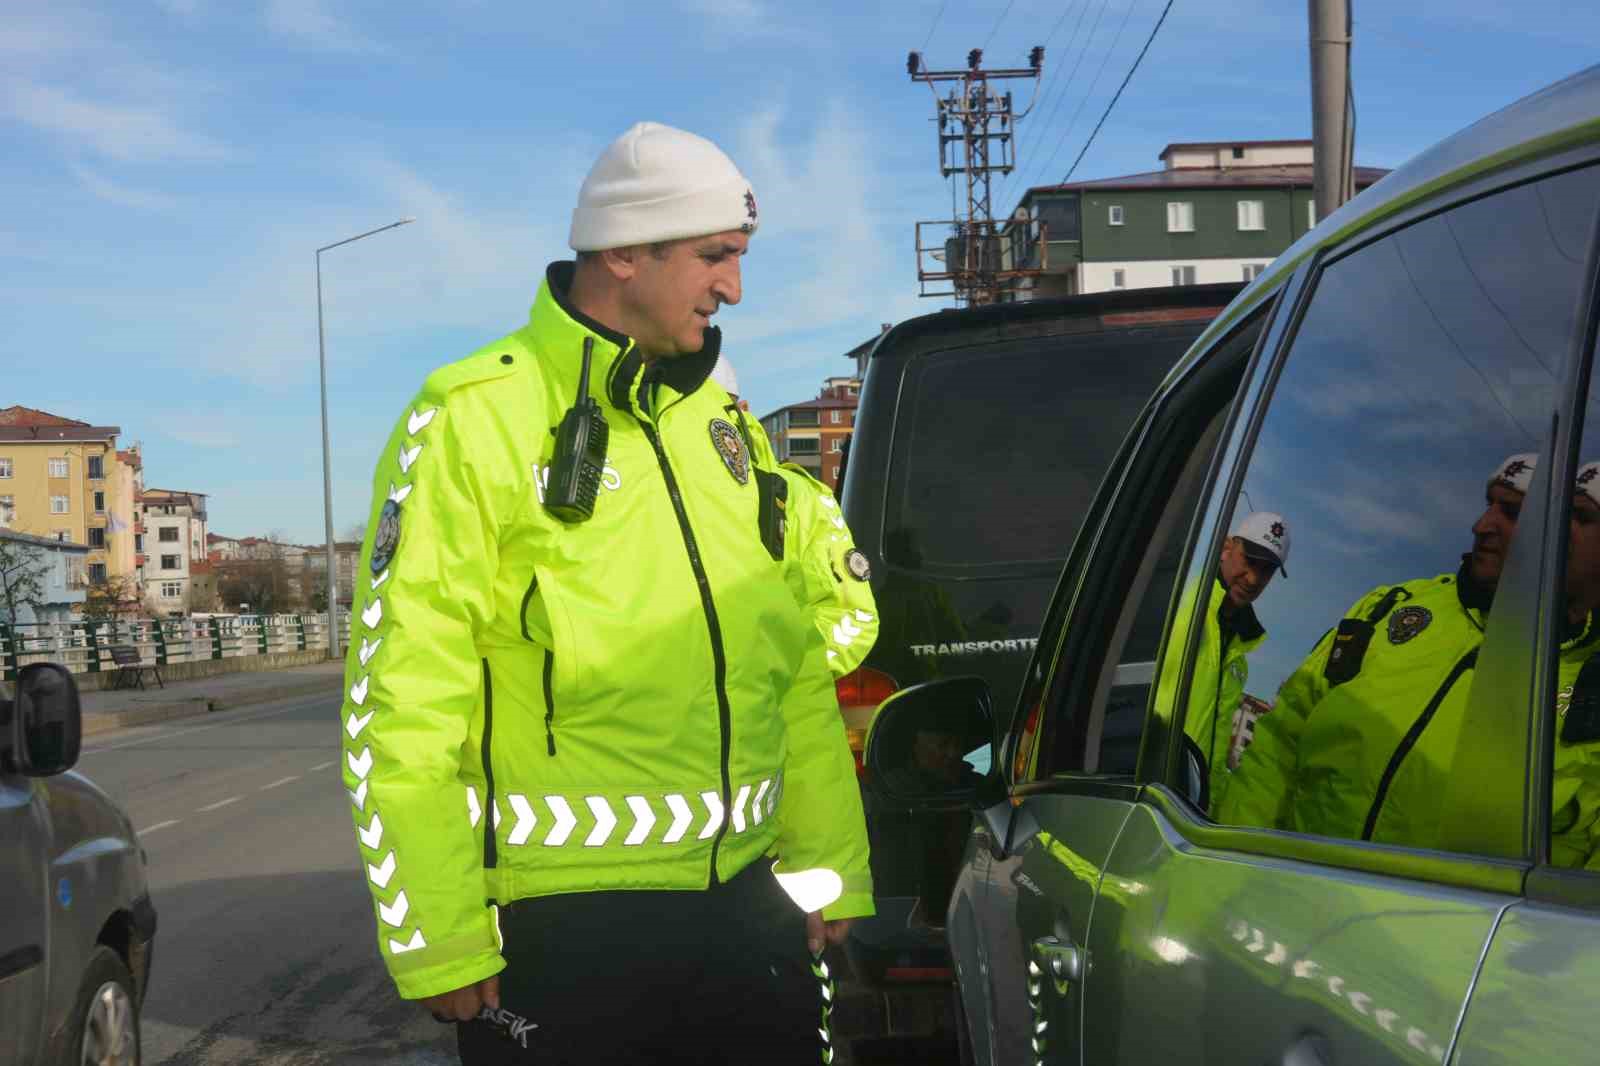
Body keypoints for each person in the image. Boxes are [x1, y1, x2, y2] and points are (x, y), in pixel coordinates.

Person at [338, 121, 871, 1065]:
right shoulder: (471, 419)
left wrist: (830, 873)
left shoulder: (726, 432)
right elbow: (401, 700)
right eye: (715, 256)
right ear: (623, 252)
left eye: (738, 258)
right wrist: (439, 934)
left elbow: (784, 669)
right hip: (563, 933)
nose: (733, 288)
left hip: (751, 918)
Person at [1220, 454, 1600, 864]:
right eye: (1488, 504)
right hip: (1282, 892)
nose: (1481, 525)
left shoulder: (1588, 686)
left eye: (1510, 512)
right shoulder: (1386, 608)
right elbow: (1280, 740)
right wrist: (1235, 859)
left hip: (1433, 926)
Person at [709, 355, 880, 678]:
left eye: (711, 409)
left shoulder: (796, 497)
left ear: (741, 411)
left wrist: (761, 672)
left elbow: (849, 617)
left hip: (779, 716)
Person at [1162, 511, 1289, 812]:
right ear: (1226, 548)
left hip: (1183, 813)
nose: (1255, 578)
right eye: (1250, 560)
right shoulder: (1180, 605)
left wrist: (1210, 809)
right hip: (1138, 797)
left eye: (1267, 570)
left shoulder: (1238, 654)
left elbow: (1215, 751)